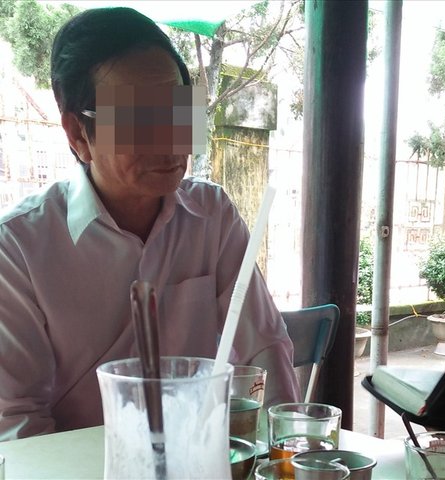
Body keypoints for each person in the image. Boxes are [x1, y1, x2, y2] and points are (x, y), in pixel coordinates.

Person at [0, 7, 299, 441]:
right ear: (79, 134)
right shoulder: (18, 248)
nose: (170, 141)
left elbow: (264, 346)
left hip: (196, 458)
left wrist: (284, 453)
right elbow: (17, 420)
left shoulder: (212, 216)